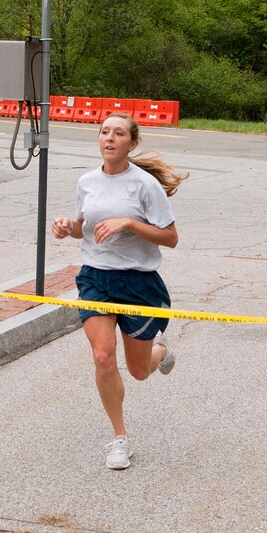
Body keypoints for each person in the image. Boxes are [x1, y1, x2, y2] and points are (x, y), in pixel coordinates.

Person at [52, 112, 188, 470]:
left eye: (118, 133)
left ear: (132, 142)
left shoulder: (145, 185)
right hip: (96, 278)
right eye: (104, 132)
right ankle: (120, 438)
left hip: (138, 283)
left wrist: (130, 222)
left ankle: (160, 348)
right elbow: (85, 227)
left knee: (140, 371)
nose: (109, 138)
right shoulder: (86, 182)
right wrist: (68, 227)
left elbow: (170, 238)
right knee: (102, 356)